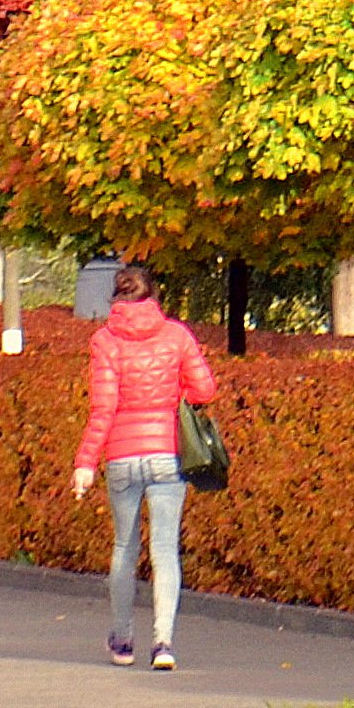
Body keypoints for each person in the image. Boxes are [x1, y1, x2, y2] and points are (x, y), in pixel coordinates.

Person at [66, 262, 218, 672]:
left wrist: (85, 463)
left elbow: (103, 408)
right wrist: (176, 394)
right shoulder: (177, 336)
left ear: (117, 297)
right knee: (165, 550)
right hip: (168, 452)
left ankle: (122, 639)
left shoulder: (105, 341)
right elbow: (206, 389)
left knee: (124, 547)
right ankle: (163, 643)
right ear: (154, 295)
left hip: (121, 456)